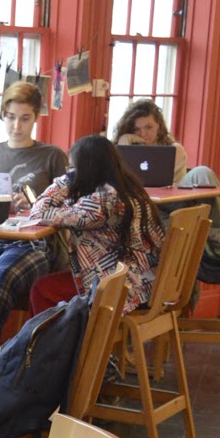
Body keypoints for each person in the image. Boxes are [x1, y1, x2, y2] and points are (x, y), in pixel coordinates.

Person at [0, 80, 67, 346]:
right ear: (2, 114)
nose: (16, 126)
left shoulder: (52, 156)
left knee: (2, 276)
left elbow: (69, 209)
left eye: (25, 119)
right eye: (11, 117)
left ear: (36, 117)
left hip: (34, 243)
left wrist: (35, 204)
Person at [26, 135, 165, 315]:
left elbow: (38, 213)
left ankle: (58, 343)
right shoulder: (129, 192)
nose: (70, 173)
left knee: (42, 289)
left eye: (73, 168)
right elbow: (80, 211)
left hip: (120, 292)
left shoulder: (99, 203)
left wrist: (66, 180)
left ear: (86, 170)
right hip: (148, 286)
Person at [113, 96, 220, 225]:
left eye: (149, 127)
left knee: (203, 171)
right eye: (137, 129)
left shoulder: (174, 150)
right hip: (143, 206)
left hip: (172, 202)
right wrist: (123, 146)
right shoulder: (120, 149)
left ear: (158, 126)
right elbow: (119, 184)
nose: (143, 133)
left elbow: (177, 189)